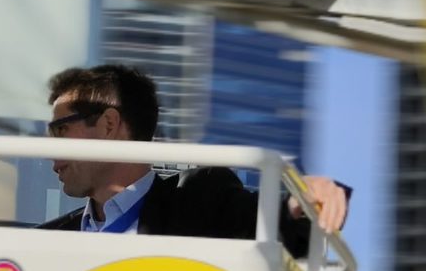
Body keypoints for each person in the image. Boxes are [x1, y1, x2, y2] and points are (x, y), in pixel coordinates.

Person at [40, 63, 350, 249]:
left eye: (60, 131)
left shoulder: (200, 201)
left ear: (109, 124)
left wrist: (305, 198)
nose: (50, 153)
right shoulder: (45, 241)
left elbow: (284, 228)